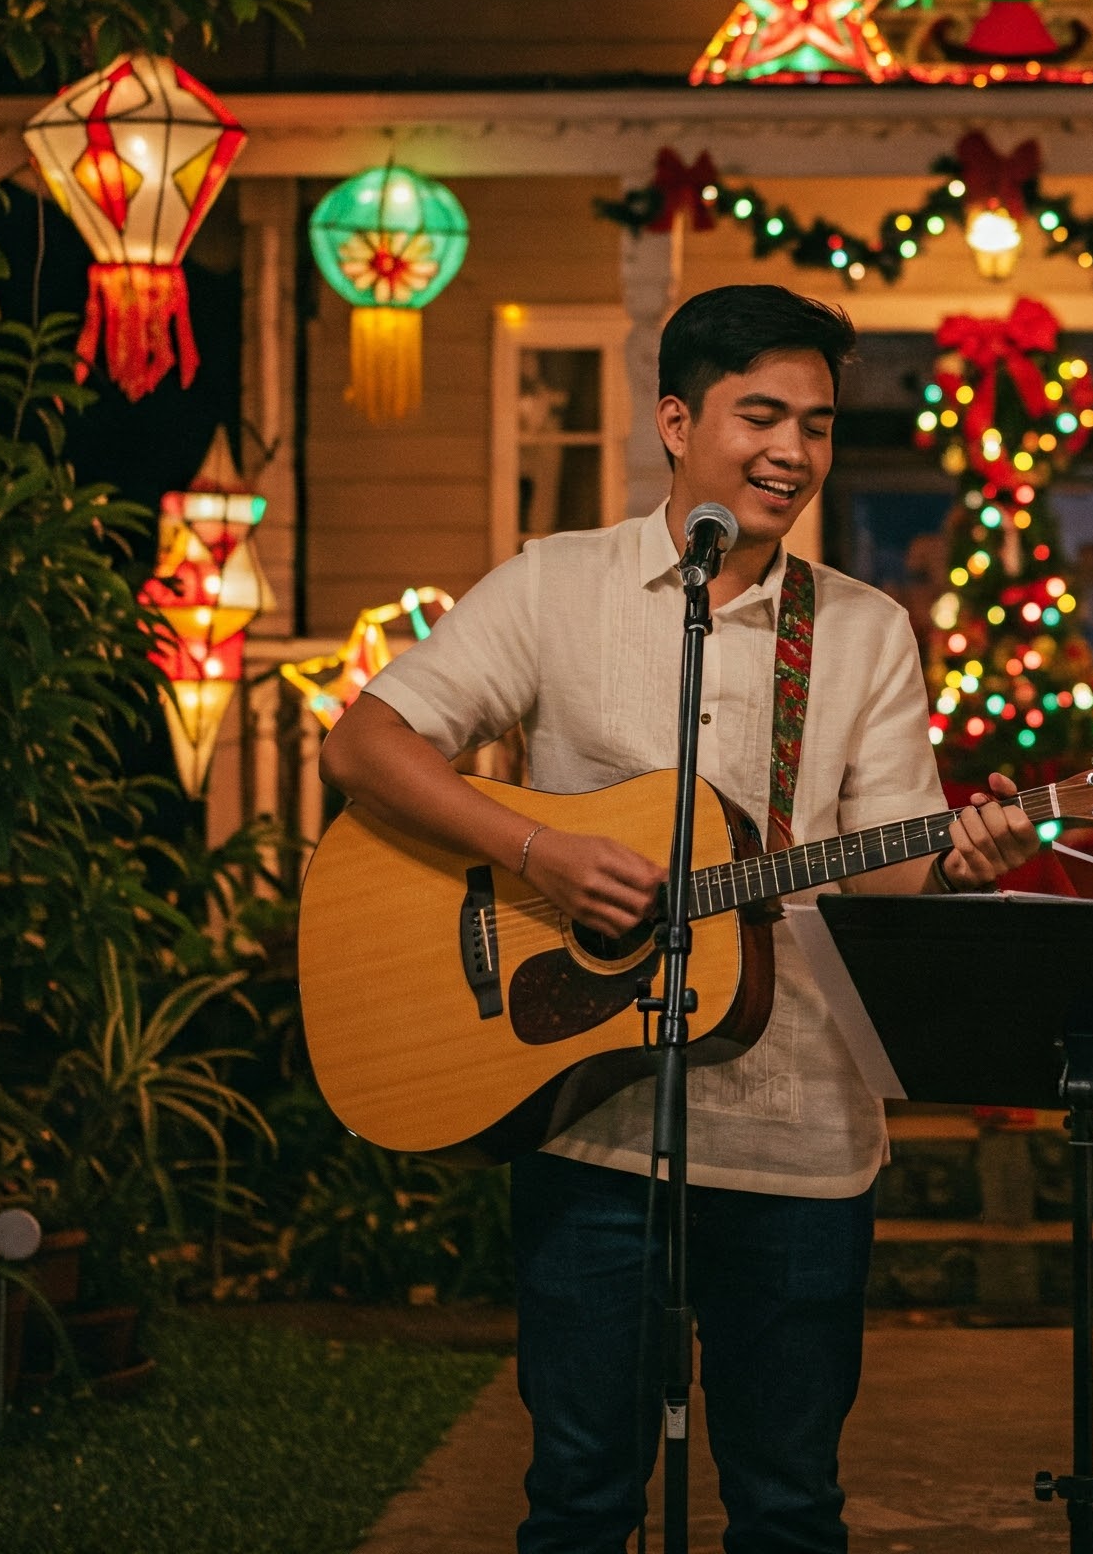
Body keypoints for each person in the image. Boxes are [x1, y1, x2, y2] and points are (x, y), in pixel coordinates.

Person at [320, 283, 1040, 1554]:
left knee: (788, 1504)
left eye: (815, 425)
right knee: (581, 1495)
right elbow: (368, 742)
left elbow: (879, 878)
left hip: (801, 1135)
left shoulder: (864, 631)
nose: (791, 451)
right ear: (673, 418)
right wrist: (538, 847)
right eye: (760, 414)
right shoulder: (557, 584)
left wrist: (966, 862)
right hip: (588, 1121)